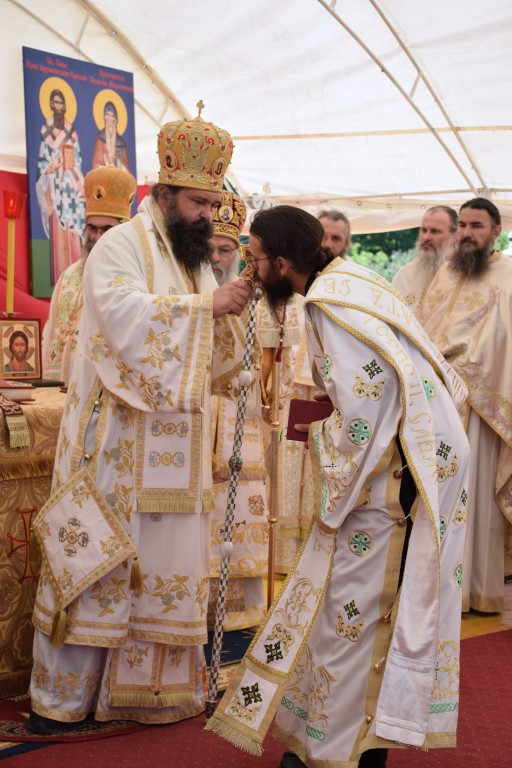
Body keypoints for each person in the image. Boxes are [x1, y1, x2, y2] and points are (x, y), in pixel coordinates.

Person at [206, 205, 470, 768]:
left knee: (355, 614)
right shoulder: (351, 278)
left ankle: (342, 753)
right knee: (345, 609)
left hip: (396, 474)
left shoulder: (328, 305)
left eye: (257, 261)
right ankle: (329, 739)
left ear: (283, 262)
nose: (252, 272)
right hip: (419, 454)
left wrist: (318, 437)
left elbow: (366, 418)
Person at [28, 108, 253, 734]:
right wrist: (207, 308)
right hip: (115, 445)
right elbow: (122, 316)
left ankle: (144, 694)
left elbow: (212, 355)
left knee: (159, 569)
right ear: (165, 193)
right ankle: (64, 700)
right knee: (96, 562)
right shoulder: (121, 246)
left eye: (214, 204)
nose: (207, 215)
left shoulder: (191, 258)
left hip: (173, 450)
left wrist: (228, 312)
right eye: (199, 203)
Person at [418, 197, 512, 613]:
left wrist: (462, 367)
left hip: (483, 408)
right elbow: (424, 327)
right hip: (438, 401)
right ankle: (436, 589)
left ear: (496, 232)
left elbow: (504, 340)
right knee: (438, 497)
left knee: (477, 502)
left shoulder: (508, 276)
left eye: (477, 226)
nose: (468, 233)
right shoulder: (446, 272)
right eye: (464, 225)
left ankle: (478, 590)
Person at [208, 190, 268, 630]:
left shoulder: (251, 296)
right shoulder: (187, 289)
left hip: (237, 416)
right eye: (209, 248)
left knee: (239, 507)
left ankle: (238, 613)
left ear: (238, 253)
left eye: (225, 249)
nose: (216, 257)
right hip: (199, 414)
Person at [41, 164, 137, 385]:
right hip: (58, 388)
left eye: (106, 230)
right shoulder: (69, 276)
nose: (97, 237)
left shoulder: (134, 276)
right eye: (92, 228)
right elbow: (50, 332)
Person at [36, 88, 86, 285]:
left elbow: (78, 161)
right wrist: (53, 166)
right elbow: (42, 164)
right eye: (55, 102)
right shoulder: (45, 132)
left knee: (74, 235)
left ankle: (76, 280)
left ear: (65, 106)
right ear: (51, 105)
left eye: (60, 103)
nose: (58, 106)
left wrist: (71, 170)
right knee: (59, 235)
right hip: (55, 191)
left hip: (71, 191)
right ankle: (60, 281)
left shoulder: (72, 133)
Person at [392, 206, 457, 313]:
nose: (426, 237)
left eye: (435, 231)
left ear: (455, 236)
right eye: (424, 230)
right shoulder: (403, 276)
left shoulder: (465, 276)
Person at [92, 101, 131, 172]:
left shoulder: (121, 142)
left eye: (112, 116)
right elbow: (96, 164)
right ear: (104, 117)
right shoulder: (101, 138)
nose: (110, 119)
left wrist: (118, 159)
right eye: (107, 115)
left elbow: (127, 170)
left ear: (115, 119)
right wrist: (107, 165)